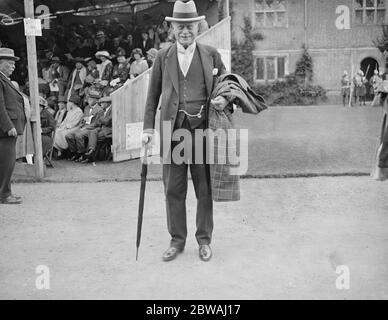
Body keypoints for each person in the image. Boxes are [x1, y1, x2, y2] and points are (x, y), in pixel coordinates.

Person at [142, 0, 228, 262]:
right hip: (173, 133)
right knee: (173, 190)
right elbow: (152, 96)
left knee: (204, 190)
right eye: (180, 26)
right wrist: (147, 128)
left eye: (189, 26)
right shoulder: (162, 57)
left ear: (197, 26)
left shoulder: (211, 54)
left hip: (202, 132)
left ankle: (204, 241)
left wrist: (224, 100)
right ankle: (176, 241)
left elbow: (226, 86)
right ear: (173, 28)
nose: (185, 31)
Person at [0, 48, 26, 205]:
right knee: (6, 162)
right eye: (10, 63)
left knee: (5, 161)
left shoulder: (4, 79)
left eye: (14, 64)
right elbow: (0, 106)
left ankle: (4, 193)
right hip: (5, 129)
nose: (14, 66)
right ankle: (4, 195)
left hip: (6, 128)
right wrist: (8, 126)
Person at [65, 93, 104, 162]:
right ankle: (74, 152)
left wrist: (87, 127)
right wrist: (82, 123)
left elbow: (98, 123)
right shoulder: (86, 108)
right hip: (83, 126)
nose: (89, 100)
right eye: (89, 99)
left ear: (96, 100)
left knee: (78, 135)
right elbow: (83, 118)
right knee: (69, 135)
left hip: (92, 128)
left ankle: (81, 153)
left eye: (91, 99)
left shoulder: (100, 110)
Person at [83, 96, 112, 163]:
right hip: (102, 128)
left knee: (93, 135)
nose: (100, 105)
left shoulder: (112, 110)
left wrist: (101, 119)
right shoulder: (103, 111)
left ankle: (91, 153)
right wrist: (88, 127)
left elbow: (107, 121)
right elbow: (98, 122)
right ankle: (91, 150)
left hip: (108, 130)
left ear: (107, 104)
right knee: (91, 132)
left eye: (102, 103)